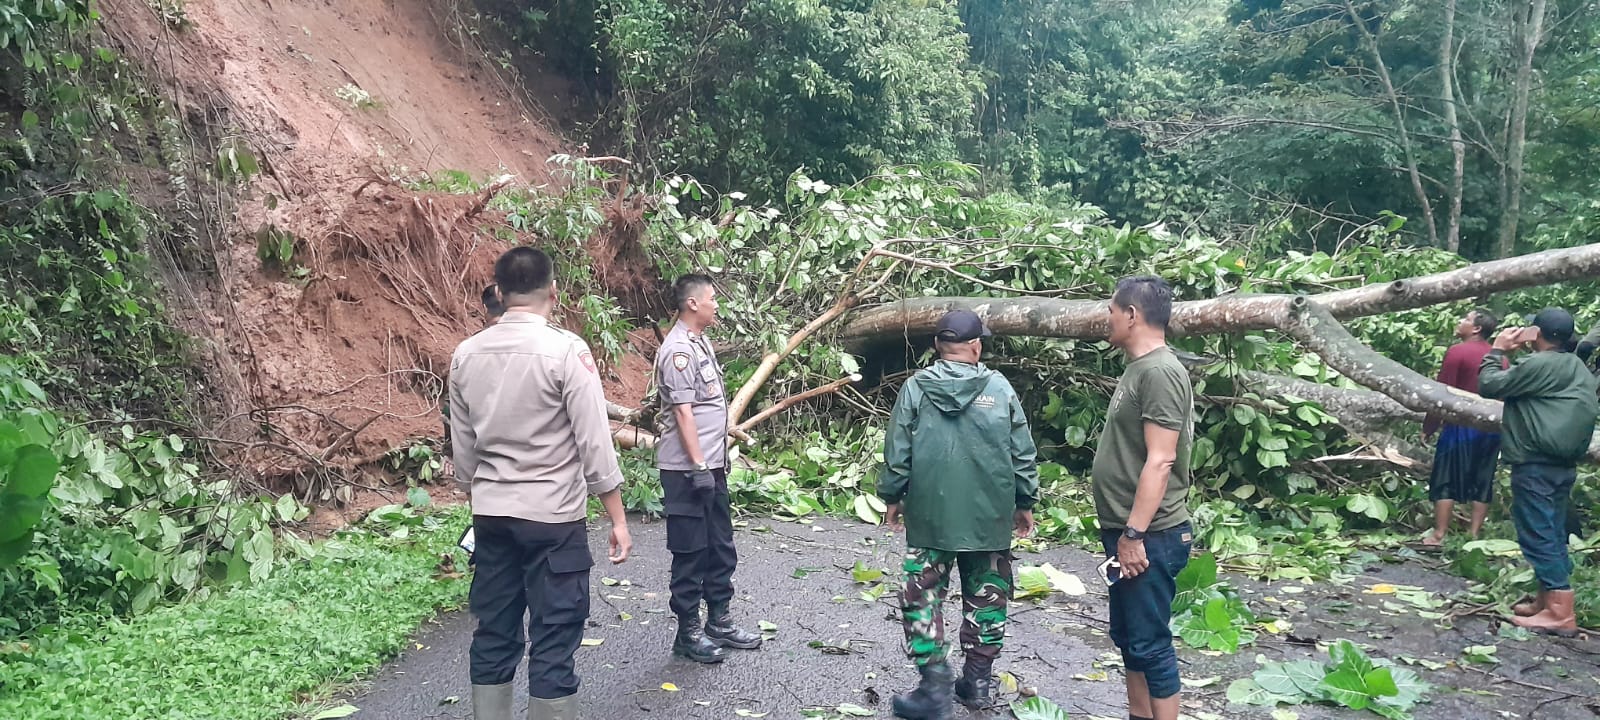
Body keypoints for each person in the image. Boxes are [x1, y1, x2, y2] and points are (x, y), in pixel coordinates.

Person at [450, 248, 634, 720]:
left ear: (500, 292)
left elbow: (464, 447)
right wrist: (617, 517)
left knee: (494, 629)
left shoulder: (465, 354)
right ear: (554, 291)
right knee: (554, 636)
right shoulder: (567, 350)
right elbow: (594, 441)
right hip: (552, 519)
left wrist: (480, 496)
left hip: (492, 516)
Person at [878, 309, 1040, 719]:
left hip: (931, 513)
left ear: (937, 347)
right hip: (989, 513)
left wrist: (893, 496)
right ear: (976, 346)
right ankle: (978, 682)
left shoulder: (916, 388)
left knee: (922, 593)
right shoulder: (1000, 389)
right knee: (986, 592)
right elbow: (1021, 452)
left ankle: (935, 683)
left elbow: (898, 450)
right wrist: (1025, 501)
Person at [1092, 276, 1194, 720]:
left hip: (1150, 535)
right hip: (1128, 534)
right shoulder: (1140, 368)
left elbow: (1161, 460)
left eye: (1112, 310)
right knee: (1130, 637)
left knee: (1151, 643)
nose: (1107, 318)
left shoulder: (1159, 372)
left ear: (1132, 315)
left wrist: (1134, 534)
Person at [654, 274, 762, 664]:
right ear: (693, 304)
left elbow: (703, 406)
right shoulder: (678, 350)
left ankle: (720, 619)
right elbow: (683, 412)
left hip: (710, 466)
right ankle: (688, 632)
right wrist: (698, 465)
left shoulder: (701, 342)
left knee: (720, 545)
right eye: (713, 299)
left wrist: (715, 454)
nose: (717, 304)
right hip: (687, 471)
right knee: (690, 551)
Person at [1478, 307, 1598, 636]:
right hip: (1563, 465)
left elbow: (1488, 385)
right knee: (1553, 531)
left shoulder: (1539, 364)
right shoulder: (1576, 366)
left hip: (1535, 462)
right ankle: (1547, 600)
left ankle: (1560, 612)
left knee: (1538, 533)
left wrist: (1499, 349)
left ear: (1538, 333)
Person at [1420, 309, 1502, 546]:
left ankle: (1439, 534)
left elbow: (1442, 394)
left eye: (1465, 319)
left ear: (1476, 328)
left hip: (1460, 425)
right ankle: (1473, 536)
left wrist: (1430, 425)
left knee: (1446, 477)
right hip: (1491, 427)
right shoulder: (1500, 357)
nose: (1460, 321)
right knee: (1483, 478)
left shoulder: (1458, 352)